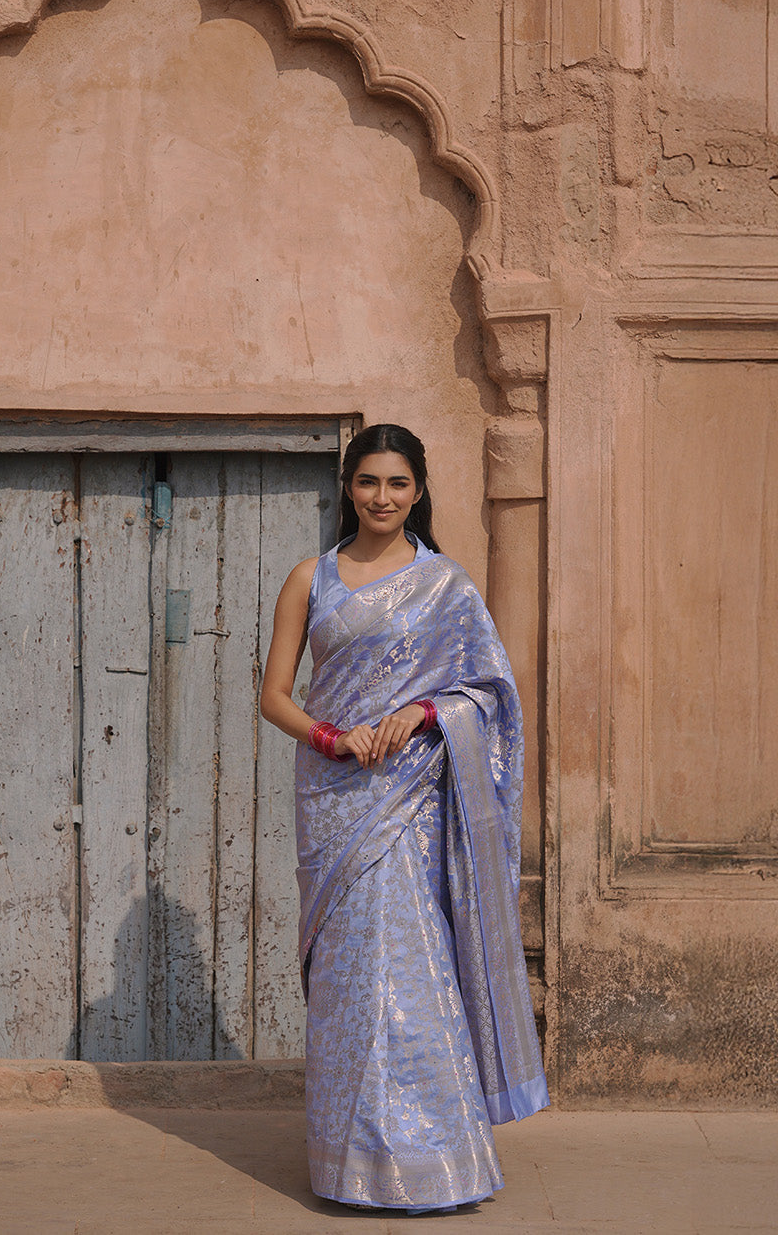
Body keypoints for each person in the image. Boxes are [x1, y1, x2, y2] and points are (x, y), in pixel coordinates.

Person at [260, 423, 548, 1215]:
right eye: (367, 483)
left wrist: (425, 712)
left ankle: (434, 1161)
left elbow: (490, 694)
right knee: (350, 975)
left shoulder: (446, 586)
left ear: (418, 491)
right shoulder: (309, 579)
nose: (381, 498)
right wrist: (331, 734)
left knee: (412, 965)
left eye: (397, 485)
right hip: (335, 797)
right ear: (347, 488)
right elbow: (274, 694)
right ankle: (348, 1163)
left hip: (415, 797)